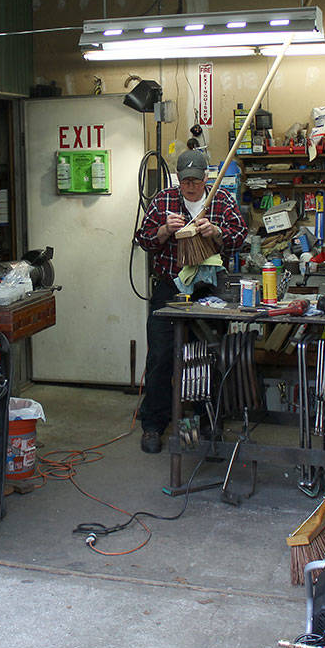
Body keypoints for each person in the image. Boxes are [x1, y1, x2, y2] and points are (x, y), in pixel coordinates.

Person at [133, 148, 248, 453]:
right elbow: (143, 240)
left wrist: (218, 232)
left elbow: (241, 237)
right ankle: (153, 425)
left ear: (206, 178)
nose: (191, 186)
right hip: (170, 288)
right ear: (178, 178)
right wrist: (163, 231)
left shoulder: (220, 201)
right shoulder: (163, 200)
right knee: (160, 357)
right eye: (186, 181)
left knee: (208, 357)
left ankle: (205, 424)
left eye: (196, 181)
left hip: (209, 292)